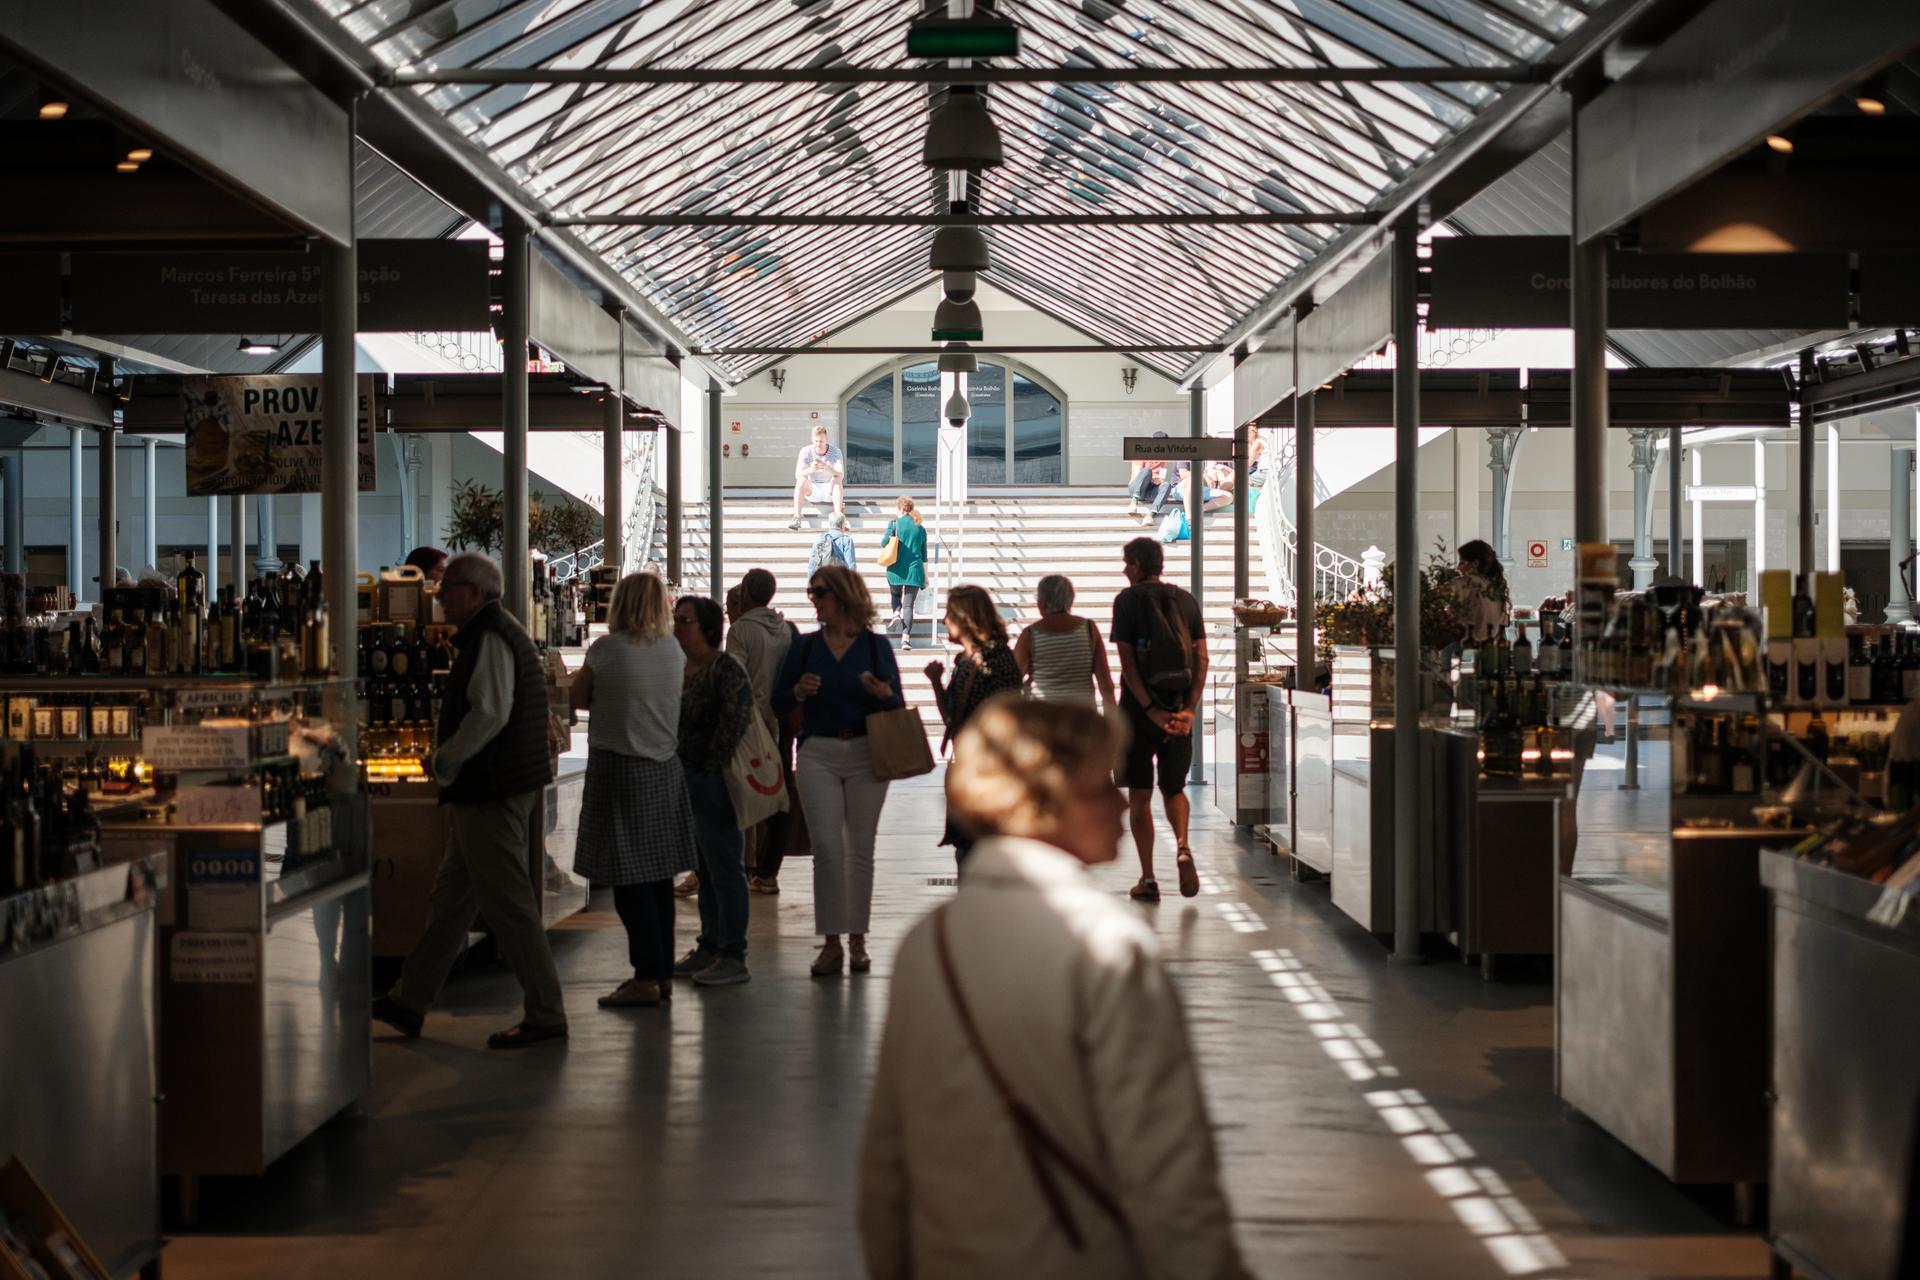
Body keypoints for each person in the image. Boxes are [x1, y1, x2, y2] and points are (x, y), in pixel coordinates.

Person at [858, 698, 1251, 1280]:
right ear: (1045, 802)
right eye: (1100, 785)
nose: (1122, 800)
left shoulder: (927, 943)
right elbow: (1167, 1171)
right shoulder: (1107, 947)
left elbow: (888, 1158)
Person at [371, 553, 567, 1047]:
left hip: (491, 790)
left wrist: (443, 761)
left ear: (475, 594)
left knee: (509, 904)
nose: (438, 594)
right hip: (493, 787)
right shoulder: (495, 633)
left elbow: (489, 714)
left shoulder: (491, 637)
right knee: (451, 900)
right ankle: (409, 1000)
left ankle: (545, 1012)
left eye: (448, 586)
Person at [563, 572, 696, 1010]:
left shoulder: (606, 650)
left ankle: (645, 976)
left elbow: (577, 700)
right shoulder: (673, 649)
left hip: (618, 769)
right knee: (658, 879)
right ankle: (659, 974)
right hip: (664, 768)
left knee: (627, 882)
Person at [771, 565, 904, 978]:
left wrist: (881, 694)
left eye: (820, 593)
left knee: (860, 849)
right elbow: (776, 702)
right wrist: (796, 692)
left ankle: (858, 941)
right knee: (827, 849)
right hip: (818, 752)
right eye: (811, 594)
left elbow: (896, 704)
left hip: (867, 752)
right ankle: (831, 943)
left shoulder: (876, 646)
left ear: (843, 595)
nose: (814, 600)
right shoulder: (805, 647)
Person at [1112, 536, 1209, 903]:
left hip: (1140, 713)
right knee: (1174, 788)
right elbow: (1201, 658)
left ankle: (1149, 878)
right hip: (1180, 708)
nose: (1124, 570)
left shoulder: (1126, 601)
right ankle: (1183, 846)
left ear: (1138, 565)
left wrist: (1149, 709)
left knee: (1140, 795)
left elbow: (1127, 664)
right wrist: (1188, 709)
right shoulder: (1185, 600)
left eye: (1127, 563)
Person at [671, 595, 755, 987]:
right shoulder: (682, 668)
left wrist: (708, 769)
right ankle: (710, 944)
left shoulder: (726, 668)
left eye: (684, 619)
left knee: (725, 868)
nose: (677, 625)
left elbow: (736, 722)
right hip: (688, 778)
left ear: (706, 627)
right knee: (705, 868)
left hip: (717, 782)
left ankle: (732, 952)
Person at [924, 585, 1023, 866]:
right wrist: (936, 683)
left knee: (974, 850)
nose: (944, 620)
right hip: (980, 766)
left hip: (986, 769)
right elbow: (954, 717)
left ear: (966, 618)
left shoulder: (989, 660)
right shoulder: (978, 659)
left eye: (949, 614)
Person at [726, 568, 796, 895]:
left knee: (743, 791)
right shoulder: (784, 628)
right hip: (779, 722)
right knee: (778, 792)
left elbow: (733, 676)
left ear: (747, 595)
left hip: (749, 725)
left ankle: (745, 863)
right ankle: (768, 868)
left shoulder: (741, 630)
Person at [1015, 574, 1117, 709]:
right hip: (1084, 718)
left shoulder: (1029, 635)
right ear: (1070, 600)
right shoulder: (1088, 629)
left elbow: (1012, 684)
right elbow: (1106, 686)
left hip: (1043, 719)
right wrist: (1112, 723)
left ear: (1042, 602)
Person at [880, 495, 928, 650]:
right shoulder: (920, 528)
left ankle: (895, 614)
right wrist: (926, 577)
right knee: (909, 605)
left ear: (900, 508)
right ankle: (905, 639)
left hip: (895, 569)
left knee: (895, 595)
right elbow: (924, 555)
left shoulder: (894, 524)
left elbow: (883, 543)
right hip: (915, 571)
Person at [1455, 539, 1512, 643]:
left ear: (1475, 563)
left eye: (1462, 562)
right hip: (1491, 650)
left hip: (1468, 649)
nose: (1458, 568)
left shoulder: (1467, 583)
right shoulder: (1496, 588)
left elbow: (1435, 599)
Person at [789, 424, 845, 529]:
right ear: (812, 440)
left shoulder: (836, 451)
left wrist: (828, 469)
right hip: (812, 489)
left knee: (837, 479)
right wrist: (810, 469)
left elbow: (841, 475)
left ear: (826, 440)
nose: (818, 444)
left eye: (821, 441)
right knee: (801, 479)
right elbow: (797, 474)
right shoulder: (805, 451)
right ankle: (796, 518)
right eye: (816, 441)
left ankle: (838, 519)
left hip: (830, 489)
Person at [808, 510, 858, 576]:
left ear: (830, 524)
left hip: (823, 579)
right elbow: (851, 565)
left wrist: (810, 583)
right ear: (842, 525)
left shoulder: (820, 539)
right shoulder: (846, 540)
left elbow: (812, 565)